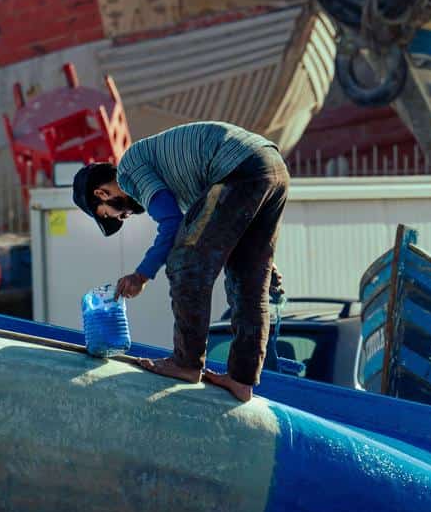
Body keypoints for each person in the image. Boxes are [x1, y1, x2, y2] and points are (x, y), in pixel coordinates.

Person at [72, 121, 289, 402]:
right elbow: (231, 225)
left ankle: (186, 363)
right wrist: (265, 266)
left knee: (185, 262)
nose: (121, 218)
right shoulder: (179, 179)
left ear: (102, 194)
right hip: (272, 167)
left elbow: (171, 222)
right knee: (249, 281)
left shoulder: (129, 170)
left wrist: (142, 275)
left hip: (238, 168)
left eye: (108, 214)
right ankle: (241, 380)